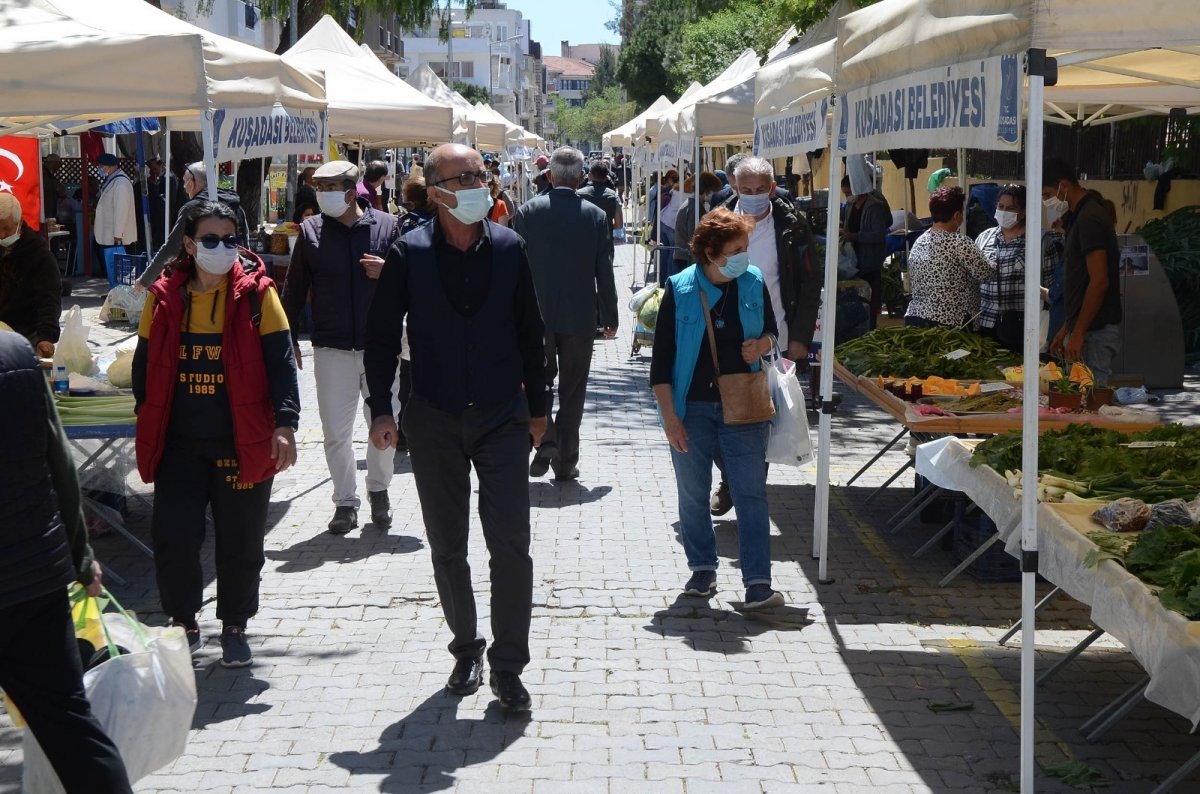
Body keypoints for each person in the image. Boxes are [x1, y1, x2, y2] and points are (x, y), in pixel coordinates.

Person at [364, 142, 545, 712]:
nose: (476, 182)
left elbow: (531, 336)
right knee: (448, 545)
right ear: (437, 190)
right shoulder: (407, 253)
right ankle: (466, 648)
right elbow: (380, 338)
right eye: (463, 175)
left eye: (480, 173)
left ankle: (509, 666)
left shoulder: (512, 247)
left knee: (511, 544)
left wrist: (540, 411)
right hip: (435, 417)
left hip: (502, 417)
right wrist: (381, 411)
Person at [132, 201, 299, 667]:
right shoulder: (163, 296)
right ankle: (183, 622)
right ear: (188, 244)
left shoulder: (258, 295)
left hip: (241, 442)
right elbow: (144, 369)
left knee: (241, 541)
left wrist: (285, 424)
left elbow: (282, 366)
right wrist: (147, 419)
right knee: (174, 539)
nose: (222, 248)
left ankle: (235, 626)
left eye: (230, 239)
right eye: (210, 240)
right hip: (179, 446)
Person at [0, 331, 133, 794]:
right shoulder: (16, 354)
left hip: (35, 574)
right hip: (37, 572)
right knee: (71, 725)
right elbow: (60, 468)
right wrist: (80, 558)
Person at [649, 208, 784, 611]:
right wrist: (671, 418)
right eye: (736, 249)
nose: (745, 256)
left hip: (745, 408)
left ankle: (758, 584)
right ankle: (702, 570)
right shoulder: (680, 288)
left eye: (746, 247)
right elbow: (661, 364)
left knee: (751, 495)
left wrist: (761, 345)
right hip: (691, 409)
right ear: (710, 252)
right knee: (693, 496)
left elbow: (772, 333)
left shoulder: (753, 282)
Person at [282, 161, 400, 535]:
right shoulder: (311, 231)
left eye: (329, 186)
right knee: (336, 430)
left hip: (380, 346)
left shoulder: (386, 226)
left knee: (383, 424)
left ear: (351, 192)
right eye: (319, 186)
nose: (322, 193)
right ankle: (345, 501)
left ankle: (378, 490)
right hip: (331, 347)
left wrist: (389, 272)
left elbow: (410, 284)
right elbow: (295, 289)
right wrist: (287, 337)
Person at [710, 157, 822, 516]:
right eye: (747, 190)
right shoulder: (718, 222)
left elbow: (808, 284)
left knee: (759, 418)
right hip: (723, 334)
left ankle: (747, 488)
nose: (755, 196)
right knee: (718, 414)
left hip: (772, 339)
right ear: (733, 186)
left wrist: (800, 337)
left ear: (773, 189)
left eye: (762, 190)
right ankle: (731, 476)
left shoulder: (791, 227)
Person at [512, 146, 618, 482]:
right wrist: (611, 315)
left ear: (550, 175)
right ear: (580, 177)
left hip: (534, 318)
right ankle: (565, 459)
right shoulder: (595, 216)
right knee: (573, 390)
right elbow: (605, 269)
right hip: (579, 317)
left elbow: (515, 267)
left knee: (536, 383)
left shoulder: (527, 212)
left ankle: (548, 441)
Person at [1042, 158, 1122, 384]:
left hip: (1095, 331)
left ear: (1063, 187)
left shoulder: (1090, 218)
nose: (1046, 201)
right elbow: (1081, 282)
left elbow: (1099, 282)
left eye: (1047, 194)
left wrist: (1077, 334)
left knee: (1093, 399)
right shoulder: (1078, 217)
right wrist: (1067, 328)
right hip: (1083, 327)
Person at [974, 184, 1059, 354]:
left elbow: (1052, 287)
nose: (1004, 211)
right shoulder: (984, 238)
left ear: (1024, 211)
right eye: (1001, 206)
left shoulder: (1040, 241)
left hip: (1023, 326)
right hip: (986, 323)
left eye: (1011, 208)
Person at [139, 161, 250, 289]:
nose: (184, 187)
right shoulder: (236, 206)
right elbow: (245, 244)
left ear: (192, 182)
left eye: (185, 182)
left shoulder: (191, 208)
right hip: (235, 276)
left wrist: (145, 280)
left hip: (201, 281)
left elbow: (171, 248)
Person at [904, 186, 996, 328]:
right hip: (950, 324)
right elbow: (986, 274)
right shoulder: (959, 242)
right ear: (957, 216)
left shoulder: (920, 241)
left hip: (916, 318)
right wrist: (995, 261)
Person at [0, 193, 61, 358]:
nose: (2, 235)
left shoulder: (39, 255)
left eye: (6, 228)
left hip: (26, 333)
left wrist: (46, 337)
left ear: (19, 223)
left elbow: (49, 298)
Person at [840, 175, 891, 329]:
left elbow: (878, 235)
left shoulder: (874, 206)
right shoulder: (850, 206)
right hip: (853, 259)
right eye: (845, 193)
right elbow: (848, 225)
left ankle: (871, 328)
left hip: (870, 261)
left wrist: (854, 236)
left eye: (849, 193)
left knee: (871, 298)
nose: (847, 196)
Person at [93, 153, 137, 284]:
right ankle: (114, 293)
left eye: (101, 166)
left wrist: (118, 235)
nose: (100, 169)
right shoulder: (113, 180)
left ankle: (118, 295)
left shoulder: (121, 183)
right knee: (113, 270)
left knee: (118, 271)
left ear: (111, 166)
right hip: (110, 236)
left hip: (116, 238)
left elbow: (121, 209)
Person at [673, 172, 722, 274]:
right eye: (713, 191)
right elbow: (694, 236)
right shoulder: (695, 208)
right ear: (706, 190)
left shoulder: (692, 204)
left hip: (684, 256)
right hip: (686, 259)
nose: (713, 195)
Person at [577, 161, 624, 247]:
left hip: (583, 242)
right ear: (606, 178)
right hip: (605, 241)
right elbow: (619, 224)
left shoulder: (578, 194)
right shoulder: (613, 195)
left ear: (590, 175)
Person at [658, 169, 683, 279]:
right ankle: (669, 281)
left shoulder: (674, 190)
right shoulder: (681, 190)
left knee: (665, 253)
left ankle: (663, 280)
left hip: (663, 221)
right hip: (671, 224)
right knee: (672, 254)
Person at [41, 153, 65, 224]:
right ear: (53, 163)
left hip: (48, 207)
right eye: (58, 165)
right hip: (46, 208)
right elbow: (57, 188)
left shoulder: (48, 174)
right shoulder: (43, 173)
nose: (58, 168)